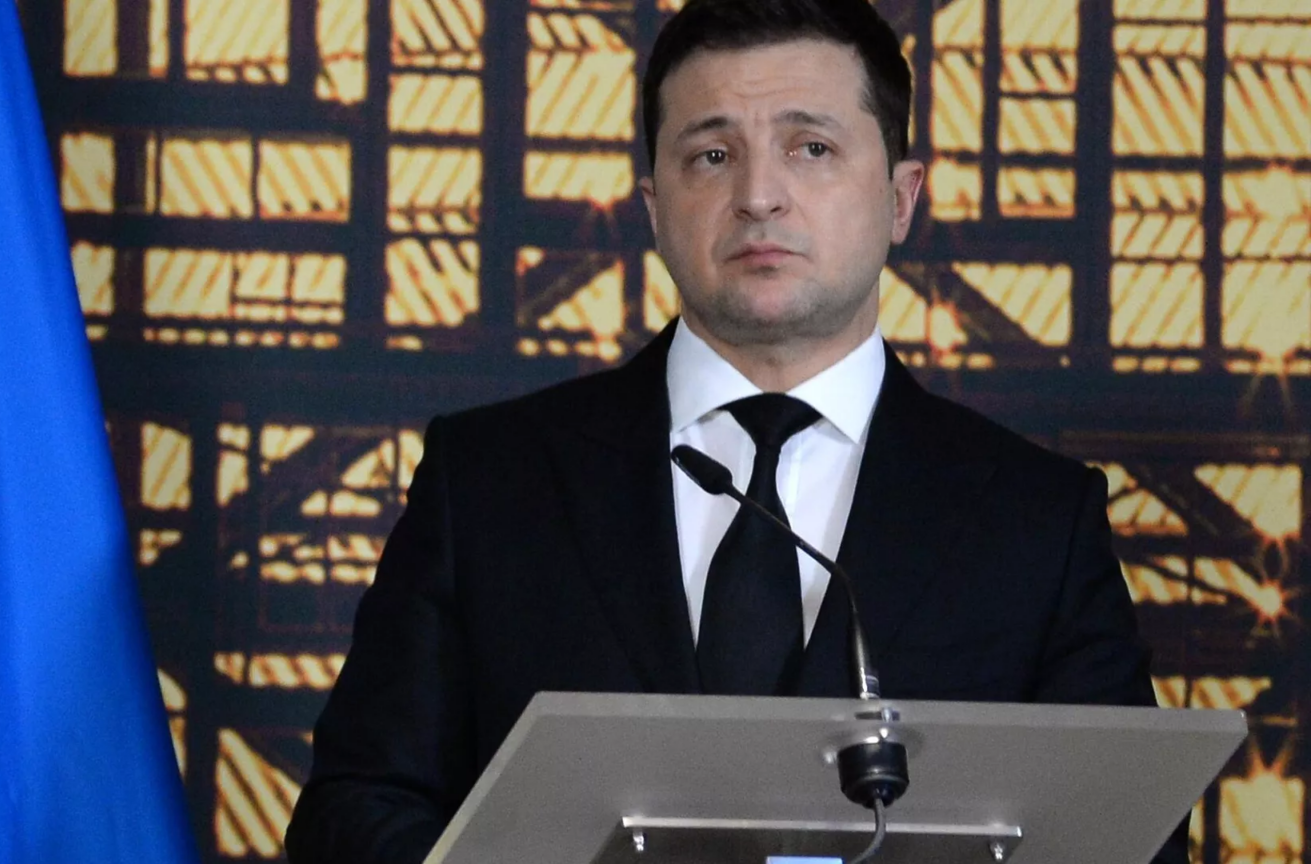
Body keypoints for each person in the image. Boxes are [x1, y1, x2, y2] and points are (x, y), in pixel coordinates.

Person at [285, 1, 1186, 862]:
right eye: (712, 155)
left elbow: (1130, 838)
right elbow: (357, 809)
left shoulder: (1037, 520)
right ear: (653, 206)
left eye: (811, 148)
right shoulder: (489, 480)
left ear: (901, 197)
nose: (759, 196)